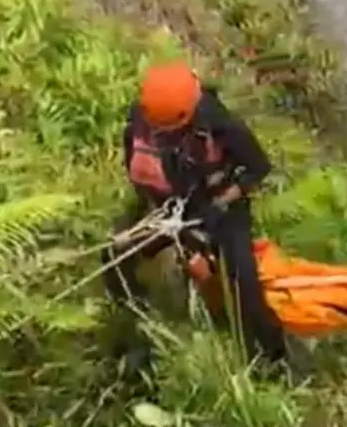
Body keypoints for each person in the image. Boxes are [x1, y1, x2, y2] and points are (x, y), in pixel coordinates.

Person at [103, 61, 287, 363]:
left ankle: (273, 356)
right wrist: (149, 218)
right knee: (116, 255)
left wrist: (221, 204)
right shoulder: (140, 121)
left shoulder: (219, 124)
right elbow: (134, 168)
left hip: (221, 207)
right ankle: (134, 316)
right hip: (168, 207)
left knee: (243, 283)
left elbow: (257, 168)